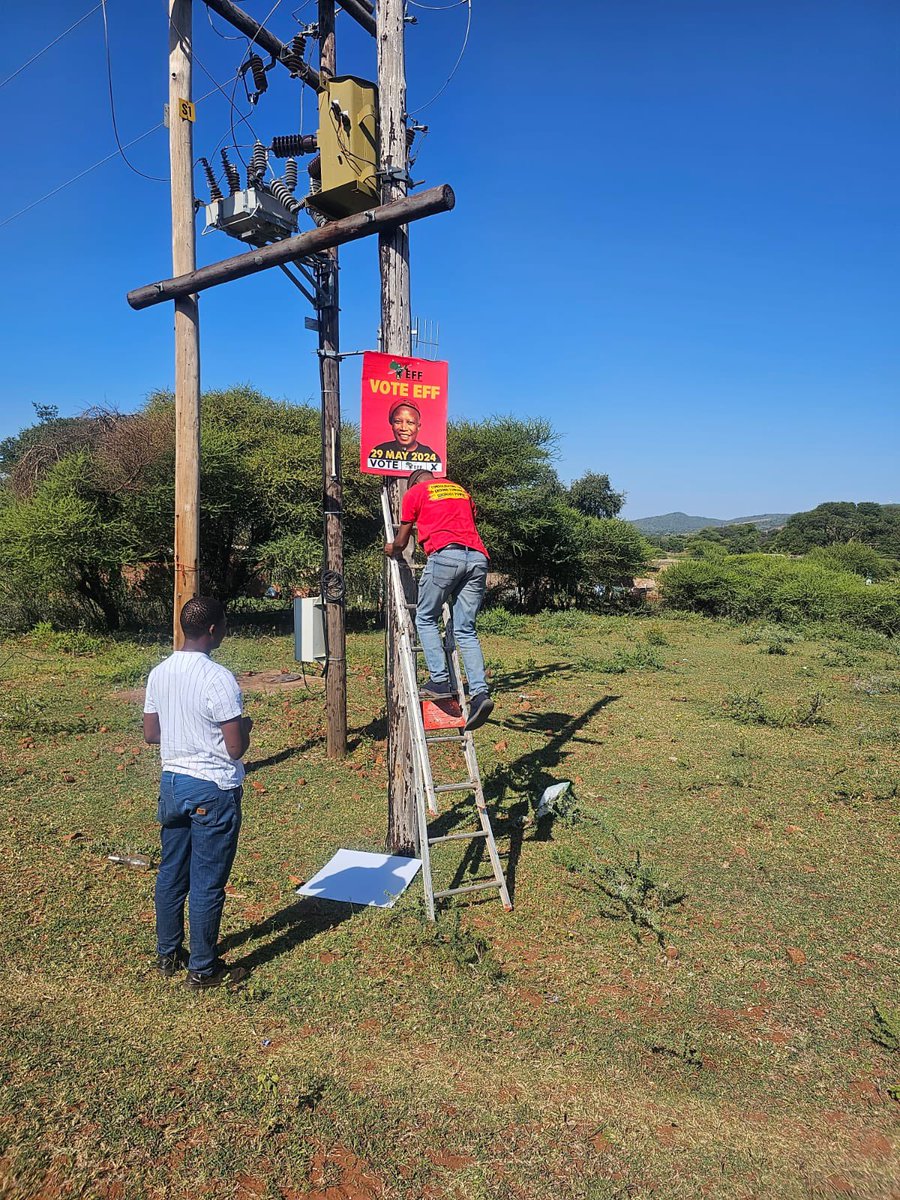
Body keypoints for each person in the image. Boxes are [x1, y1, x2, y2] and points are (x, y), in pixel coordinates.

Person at [143, 596, 252, 990]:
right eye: (223, 624)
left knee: (171, 873)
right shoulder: (218, 677)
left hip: (172, 784)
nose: (225, 630)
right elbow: (235, 748)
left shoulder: (160, 672)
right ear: (212, 630)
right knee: (207, 882)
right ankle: (203, 969)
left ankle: (167, 953)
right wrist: (247, 725)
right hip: (212, 788)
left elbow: (152, 734)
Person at [384, 470, 494, 731]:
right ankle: (480, 694)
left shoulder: (415, 493)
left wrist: (390, 548)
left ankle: (439, 680)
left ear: (413, 483)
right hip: (477, 559)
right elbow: (467, 522)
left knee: (425, 617)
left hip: (446, 556)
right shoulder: (460, 490)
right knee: (465, 629)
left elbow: (402, 541)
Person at [367, 401, 442, 473]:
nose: (404, 428)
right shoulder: (378, 453)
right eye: (398, 422)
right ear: (392, 425)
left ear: (418, 427)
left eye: (410, 423)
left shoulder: (432, 458)